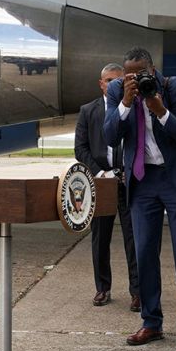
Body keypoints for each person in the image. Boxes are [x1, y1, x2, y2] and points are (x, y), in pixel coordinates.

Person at [104, 47, 176, 351]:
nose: (136, 79)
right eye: (130, 75)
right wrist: (126, 103)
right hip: (142, 180)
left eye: (141, 74)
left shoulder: (173, 87)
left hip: (175, 178)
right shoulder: (116, 90)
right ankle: (151, 322)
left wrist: (159, 109)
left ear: (152, 71)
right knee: (144, 254)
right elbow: (110, 137)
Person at [74, 62, 140, 312]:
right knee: (100, 238)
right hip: (101, 183)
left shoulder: (134, 107)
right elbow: (80, 149)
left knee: (133, 239)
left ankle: (137, 291)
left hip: (128, 182)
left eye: (119, 80)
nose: (114, 84)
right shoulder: (88, 111)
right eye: (109, 80)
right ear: (101, 83)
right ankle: (103, 288)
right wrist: (102, 173)